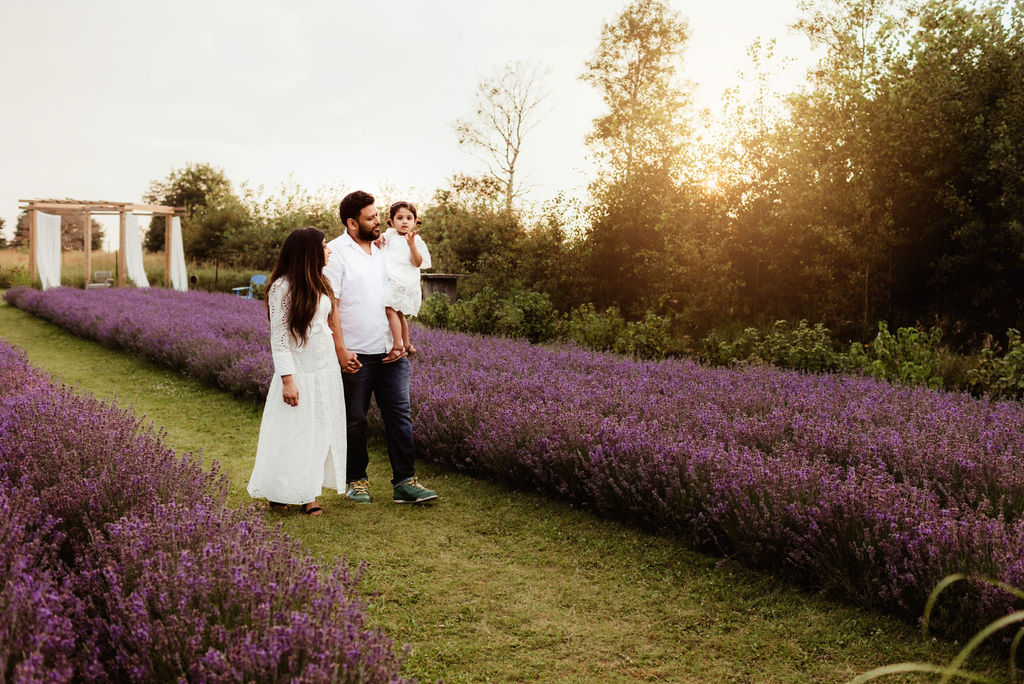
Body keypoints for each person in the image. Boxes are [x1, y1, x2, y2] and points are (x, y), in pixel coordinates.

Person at [324, 190, 439, 504]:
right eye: (371, 217)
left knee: (400, 416)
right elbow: (330, 304)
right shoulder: (336, 253)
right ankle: (356, 480)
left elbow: (405, 281)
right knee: (355, 418)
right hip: (356, 353)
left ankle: (405, 481)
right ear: (351, 222)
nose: (378, 221)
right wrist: (340, 349)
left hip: (392, 351)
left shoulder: (386, 246)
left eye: (378, 216)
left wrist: (404, 341)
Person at [247, 227, 354, 516]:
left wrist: (344, 353)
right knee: (293, 432)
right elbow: (279, 337)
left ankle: (311, 495)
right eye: (323, 245)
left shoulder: (322, 282)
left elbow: (328, 325)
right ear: (309, 252)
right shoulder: (282, 287)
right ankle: (280, 490)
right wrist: (287, 380)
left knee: (321, 430)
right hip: (298, 371)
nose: (329, 249)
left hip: (325, 367)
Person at [380, 200, 431, 362]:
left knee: (389, 309)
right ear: (391, 221)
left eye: (409, 218)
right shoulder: (389, 235)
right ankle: (407, 344)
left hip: (405, 280)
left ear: (415, 221)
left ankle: (397, 347)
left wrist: (411, 245)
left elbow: (418, 263)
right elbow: (379, 241)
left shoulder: (417, 240)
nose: (404, 222)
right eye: (400, 218)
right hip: (393, 278)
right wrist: (378, 240)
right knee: (399, 312)